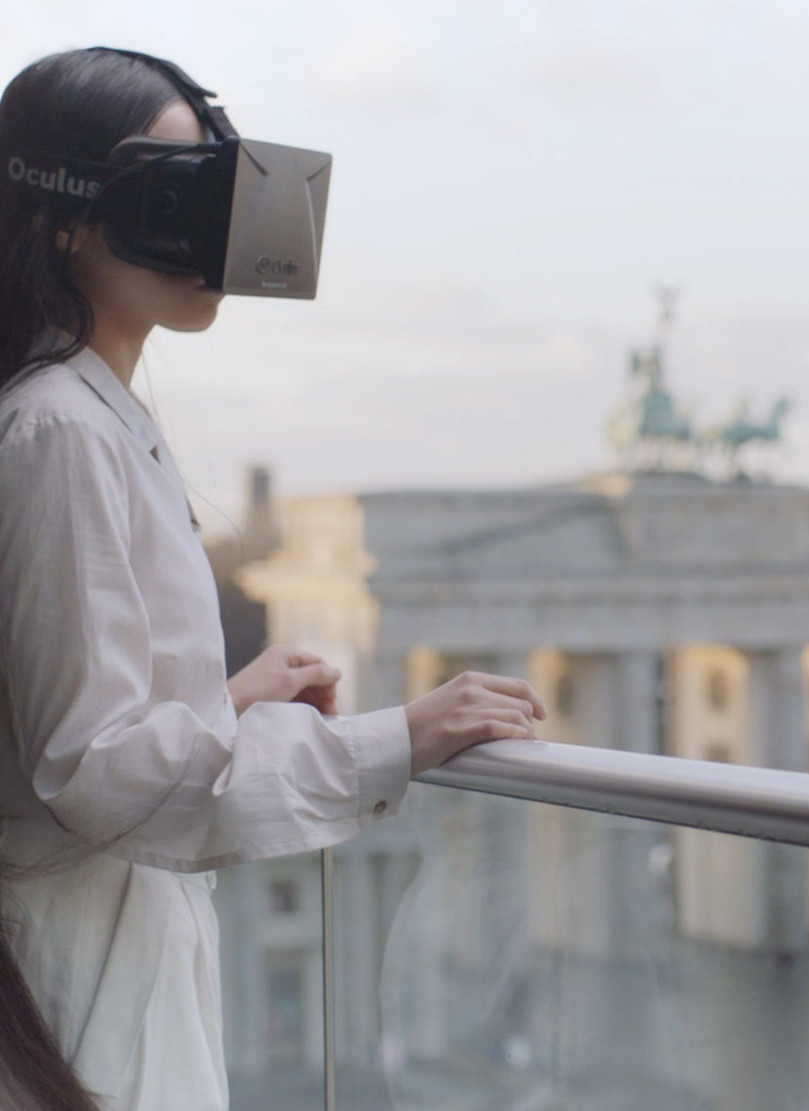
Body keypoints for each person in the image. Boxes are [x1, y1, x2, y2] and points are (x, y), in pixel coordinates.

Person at [0, 47, 546, 1111]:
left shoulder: (87, 412)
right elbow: (93, 774)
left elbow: (62, 724)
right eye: (176, 193)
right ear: (61, 218)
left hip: (92, 953)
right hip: (79, 971)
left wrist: (229, 696)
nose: (210, 230)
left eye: (219, 183)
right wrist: (390, 739)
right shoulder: (59, 426)